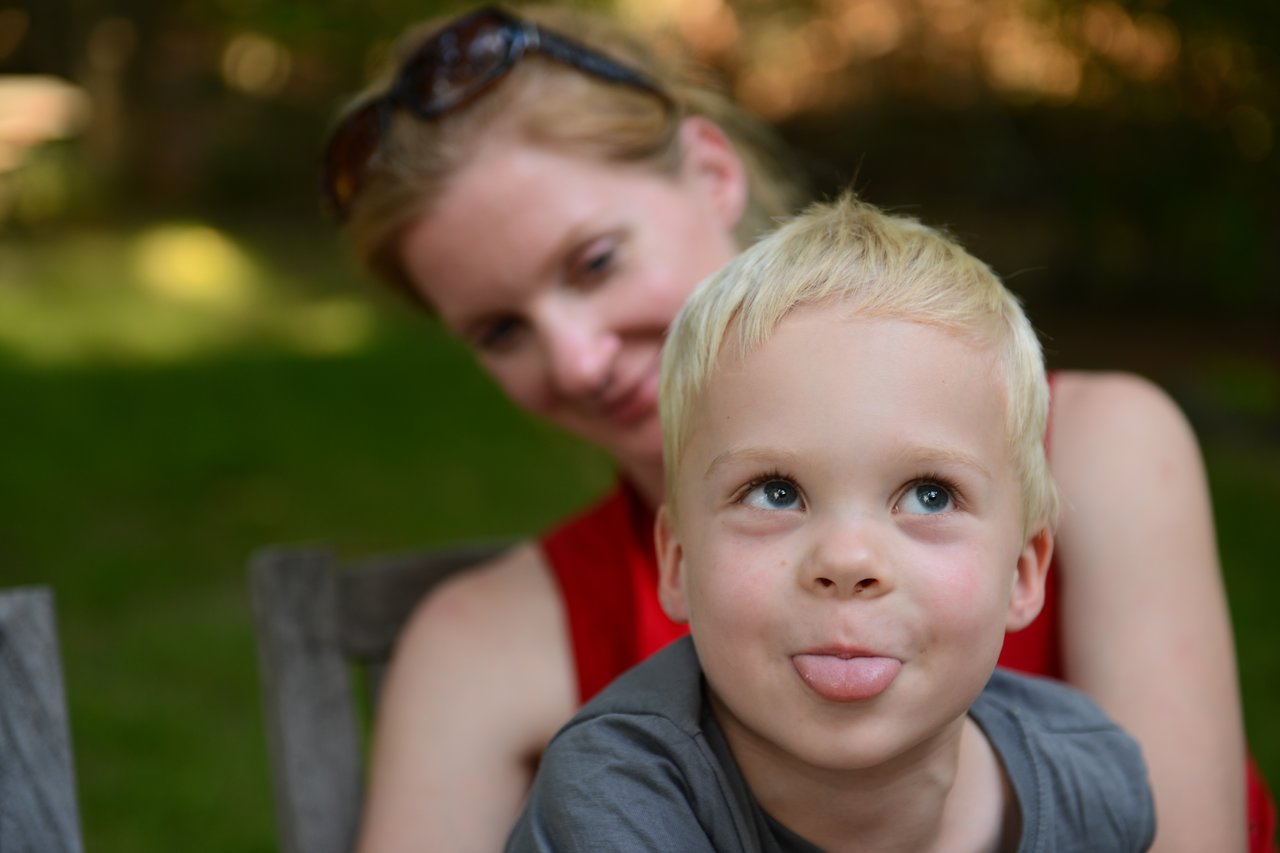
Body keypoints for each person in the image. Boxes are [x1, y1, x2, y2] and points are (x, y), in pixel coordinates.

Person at [321, 5, 1271, 851]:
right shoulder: (482, 646)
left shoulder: (1104, 450)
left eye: (596, 261)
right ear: (677, 560)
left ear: (711, 170)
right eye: (501, 329)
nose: (574, 357)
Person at [506, 191, 1156, 852]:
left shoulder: (1093, 782)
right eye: (775, 492)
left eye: (930, 494)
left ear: (1022, 571)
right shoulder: (617, 798)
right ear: (677, 561)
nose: (847, 559)